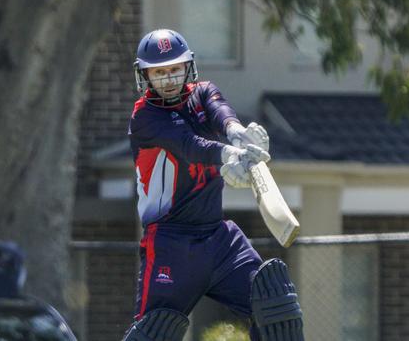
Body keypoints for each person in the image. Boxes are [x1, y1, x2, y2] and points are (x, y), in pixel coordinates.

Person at [122, 29, 304, 341]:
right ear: (145, 76)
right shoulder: (145, 116)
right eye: (159, 72)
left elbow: (222, 115)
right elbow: (189, 145)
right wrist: (228, 155)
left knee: (275, 306)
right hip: (170, 241)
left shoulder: (203, 93)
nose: (168, 79)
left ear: (187, 67)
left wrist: (239, 135)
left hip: (220, 239)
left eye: (174, 69)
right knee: (152, 334)